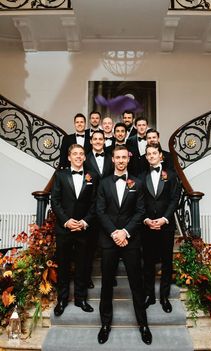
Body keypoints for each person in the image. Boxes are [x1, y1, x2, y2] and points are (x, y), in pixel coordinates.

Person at [96, 145, 152, 345]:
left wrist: (125, 232)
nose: (120, 160)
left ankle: (143, 324)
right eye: (117, 157)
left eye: (123, 157)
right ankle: (105, 324)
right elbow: (100, 211)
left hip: (131, 240)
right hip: (109, 240)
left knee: (137, 285)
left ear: (128, 159)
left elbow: (140, 211)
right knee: (106, 285)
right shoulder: (103, 184)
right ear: (112, 159)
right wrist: (114, 233)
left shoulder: (137, 183)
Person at [51, 144, 97, 316]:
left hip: (84, 229)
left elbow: (95, 203)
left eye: (81, 154)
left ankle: (80, 299)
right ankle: (62, 300)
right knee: (63, 265)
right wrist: (66, 221)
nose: (78, 156)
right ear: (69, 157)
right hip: (65, 229)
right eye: (75, 154)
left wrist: (84, 222)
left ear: (85, 157)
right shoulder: (60, 175)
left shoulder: (92, 176)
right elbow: (55, 201)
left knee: (82, 266)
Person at [140, 143, 180, 313]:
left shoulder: (171, 175)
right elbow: (139, 201)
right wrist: (146, 219)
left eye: (154, 153)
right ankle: (150, 295)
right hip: (147, 226)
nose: (151, 156)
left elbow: (174, 199)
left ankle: (164, 297)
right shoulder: (140, 177)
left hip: (166, 226)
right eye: (148, 154)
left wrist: (164, 219)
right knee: (148, 262)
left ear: (160, 155)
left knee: (166, 262)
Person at [84, 130, 114, 288]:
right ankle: (87, 277)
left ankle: (111, 276)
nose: (97, 141)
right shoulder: (84, 159)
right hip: (91, 208)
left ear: (104, 141)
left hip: (110, 208)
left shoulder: (111, 158)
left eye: (100, 139)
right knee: (89, 246)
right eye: (95, 139)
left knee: (109, 246)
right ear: (91, 141)